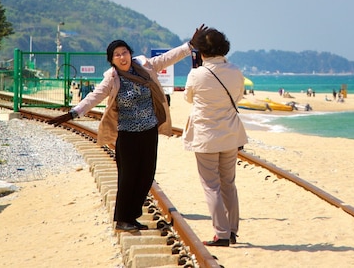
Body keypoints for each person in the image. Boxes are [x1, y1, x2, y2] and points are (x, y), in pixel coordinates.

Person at [50, 25, 205, 233]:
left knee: (146, 175)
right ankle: (122, 219)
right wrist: (73, 113)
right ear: (112, 60)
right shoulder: (112, 79)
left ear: (130, 54)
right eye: (117, 55)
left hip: (149, 131)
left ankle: (132, 216)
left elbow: (168, 58)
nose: (122, 57)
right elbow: (93, 97)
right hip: (128, 135)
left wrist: (190, 46)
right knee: (128, 177)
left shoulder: (145, 67)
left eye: (125, 52)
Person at [183, 28, 248, 247]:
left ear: (201, 51)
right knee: (228, 183)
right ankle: (231, 230)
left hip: (206, 136)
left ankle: (220, 233)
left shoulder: (196, 74)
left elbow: (188, 97)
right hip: (230, 134)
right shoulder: (236, 71)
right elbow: (238, 96)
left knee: (211, 186)